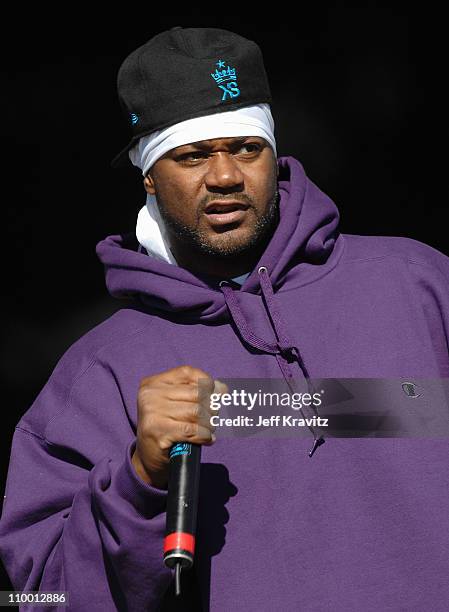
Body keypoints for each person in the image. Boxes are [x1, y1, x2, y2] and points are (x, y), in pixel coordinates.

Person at [1, 26, 449, 611]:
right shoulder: (99, 372)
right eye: (191, 155)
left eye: (246, 147)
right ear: (148, 178)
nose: (225, 176)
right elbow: (40, 598)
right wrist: (140, 479)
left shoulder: (417, 286)